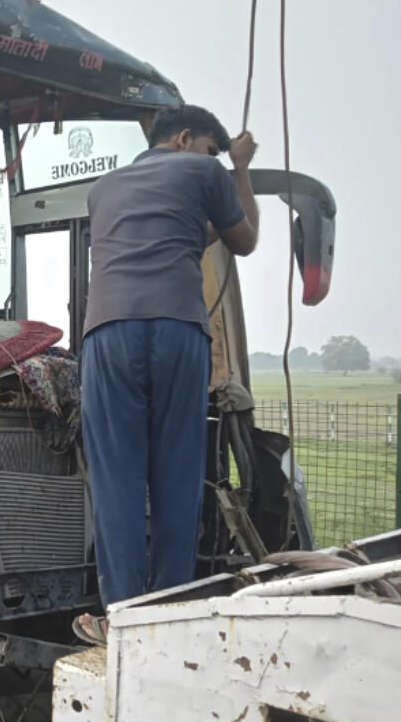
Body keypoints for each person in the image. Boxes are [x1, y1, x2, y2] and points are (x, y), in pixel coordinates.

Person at [73, 105, 259, 643]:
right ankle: (173, 614)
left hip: (106, 332)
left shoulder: (102, 189)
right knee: (177, 474)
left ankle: (122, 618)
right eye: (208, 148)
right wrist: (240, 169)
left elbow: (178, 236)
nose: (211, 160)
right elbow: (242, 240)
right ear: (185, 139)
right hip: (177, 329)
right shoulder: (204, 172)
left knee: (118, 483)